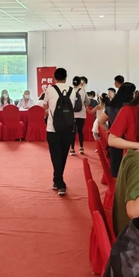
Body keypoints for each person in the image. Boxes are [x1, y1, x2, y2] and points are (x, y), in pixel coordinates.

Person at [43, 68, 77, 196]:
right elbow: (73, 107)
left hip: (53, 128)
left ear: (54, 77)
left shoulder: (50, 89)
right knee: (63, 155)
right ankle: (57, 180)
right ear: (66, 77)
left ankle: (59, 182)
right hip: (68, 127)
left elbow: (44, 104)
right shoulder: (72, 90)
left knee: (55, 155)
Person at [102, 82, 136, 176]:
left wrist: (109, 131)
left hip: (115, 140)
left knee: (116, 170)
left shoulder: (111, 106)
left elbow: (101, 121)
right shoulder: (131, 107)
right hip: (129, 141)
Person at [70, 76, 90, 155]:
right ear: (79, 83)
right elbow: (88, 102)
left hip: (72, 114)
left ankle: (72, 149)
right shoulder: (83, 91)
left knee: (72, 131)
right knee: (80, 131)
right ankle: (81, 148)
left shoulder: (70, 90)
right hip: (81, 114)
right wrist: (83, 103)